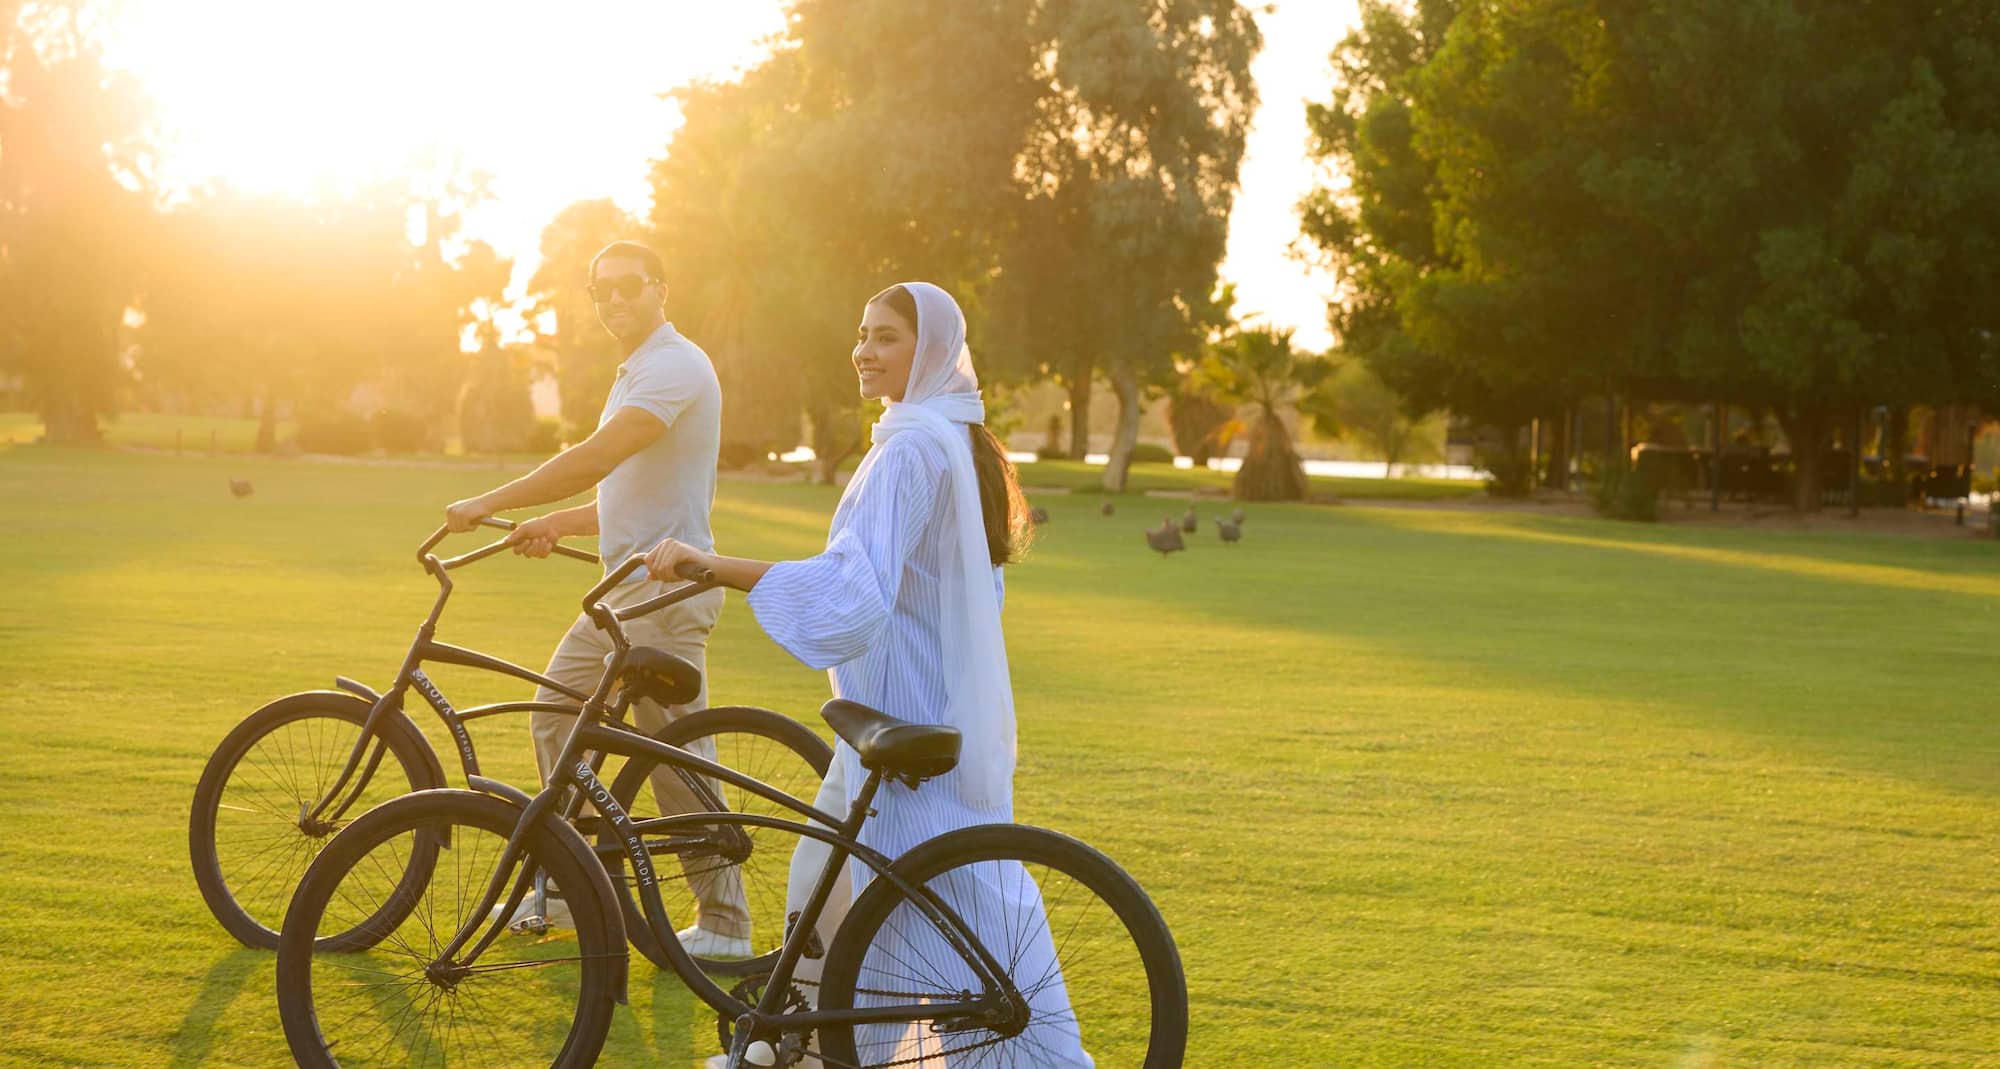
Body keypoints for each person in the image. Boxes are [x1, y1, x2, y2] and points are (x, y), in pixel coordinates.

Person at [644, 282, 1092, 1066]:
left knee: (940, 896)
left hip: (905, 702)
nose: (863, 350)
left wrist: (714, 565)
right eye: (861, 333)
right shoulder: (941, 434)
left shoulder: (915, 446)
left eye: (885, 337)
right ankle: (819, 1045)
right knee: (840, 876)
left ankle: (869, 1047)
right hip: (916, 694)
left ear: (927, 352)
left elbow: (854, 587)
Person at [442, 240, 749, 957]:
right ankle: (583, 889)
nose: (613, 300)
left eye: (627, 287)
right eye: (599, 289)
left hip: (667, 595)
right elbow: (627, 492)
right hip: (624, 597)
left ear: (660, 288)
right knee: (555, 713)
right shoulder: (636, 369)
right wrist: (555, 521)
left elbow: (594, 458)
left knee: (675, 756)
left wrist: (491, 499)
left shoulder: (675, 365)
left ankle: (728, 927)